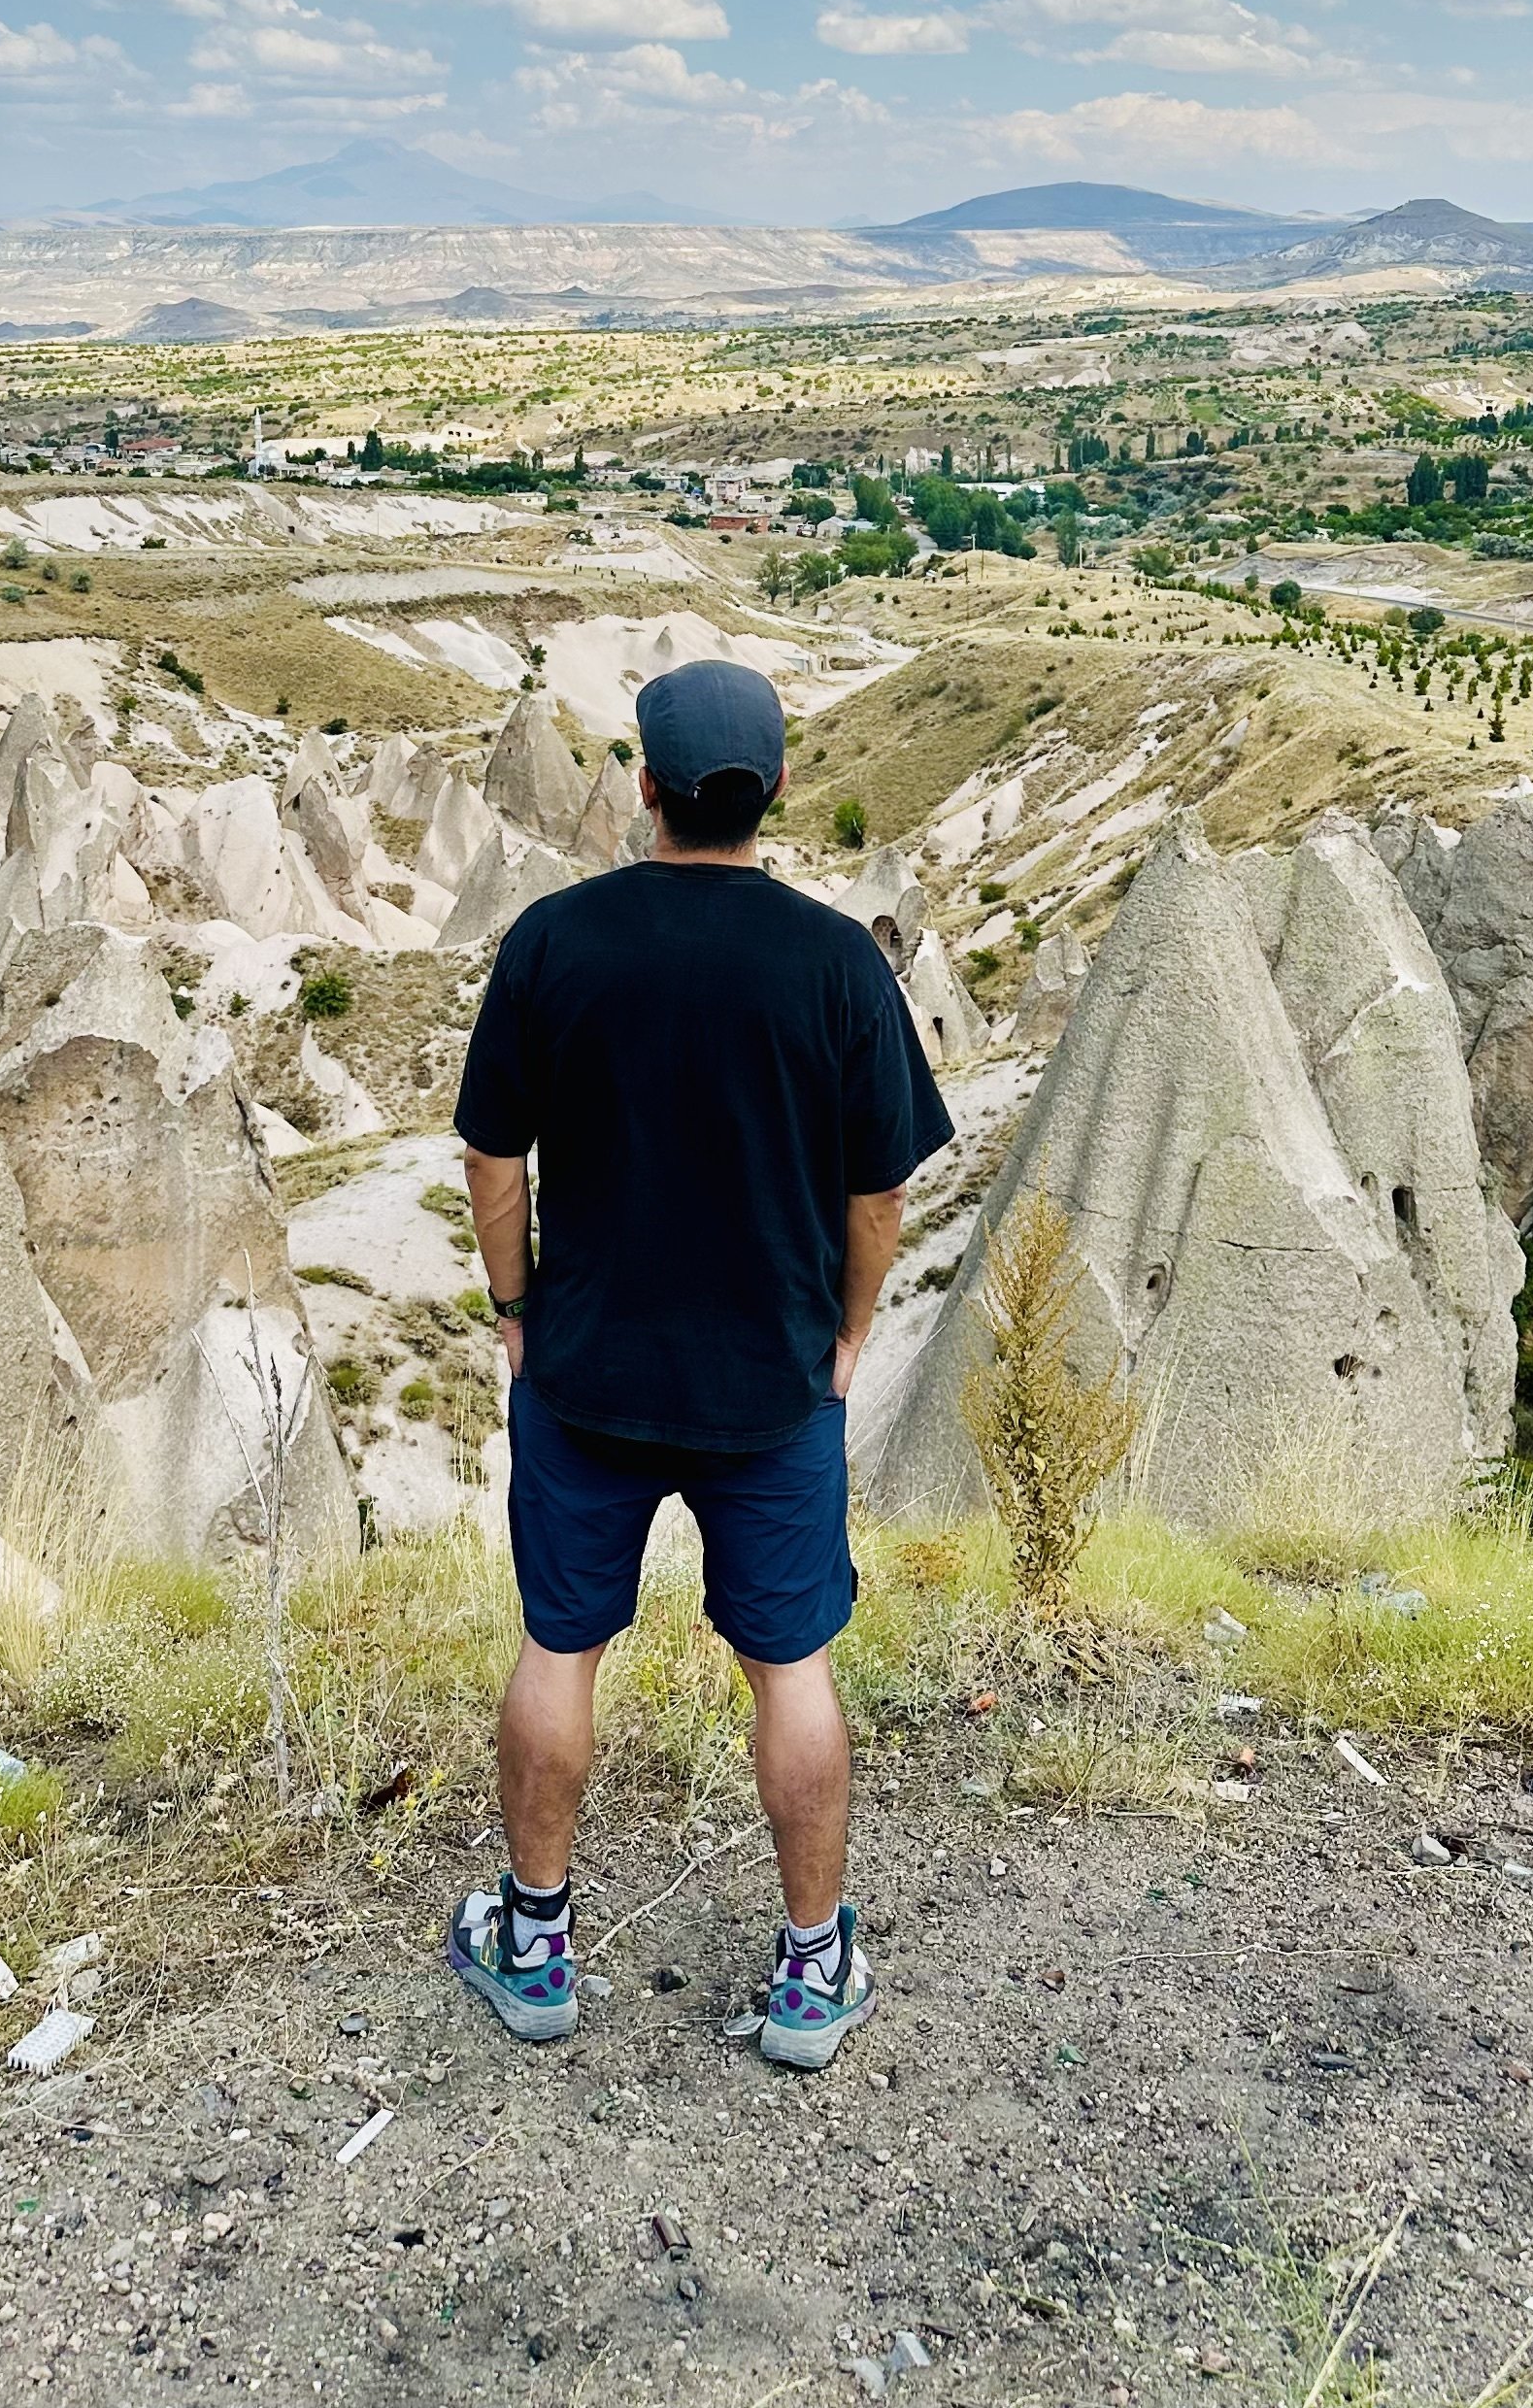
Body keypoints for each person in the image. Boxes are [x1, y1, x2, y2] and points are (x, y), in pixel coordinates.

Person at [448, 656, 952, 2071]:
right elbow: (877, 1192)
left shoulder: (554, 942)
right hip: (771, 1388)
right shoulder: (838, 963)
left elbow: (492, 1153)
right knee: (790, 1667)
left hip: (587, 1378)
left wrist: (515, 1306)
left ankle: (534, 1947)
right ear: (775, 788)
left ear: (645, 786)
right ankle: (812, 1972)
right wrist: (848, 1334)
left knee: (561, 1648)